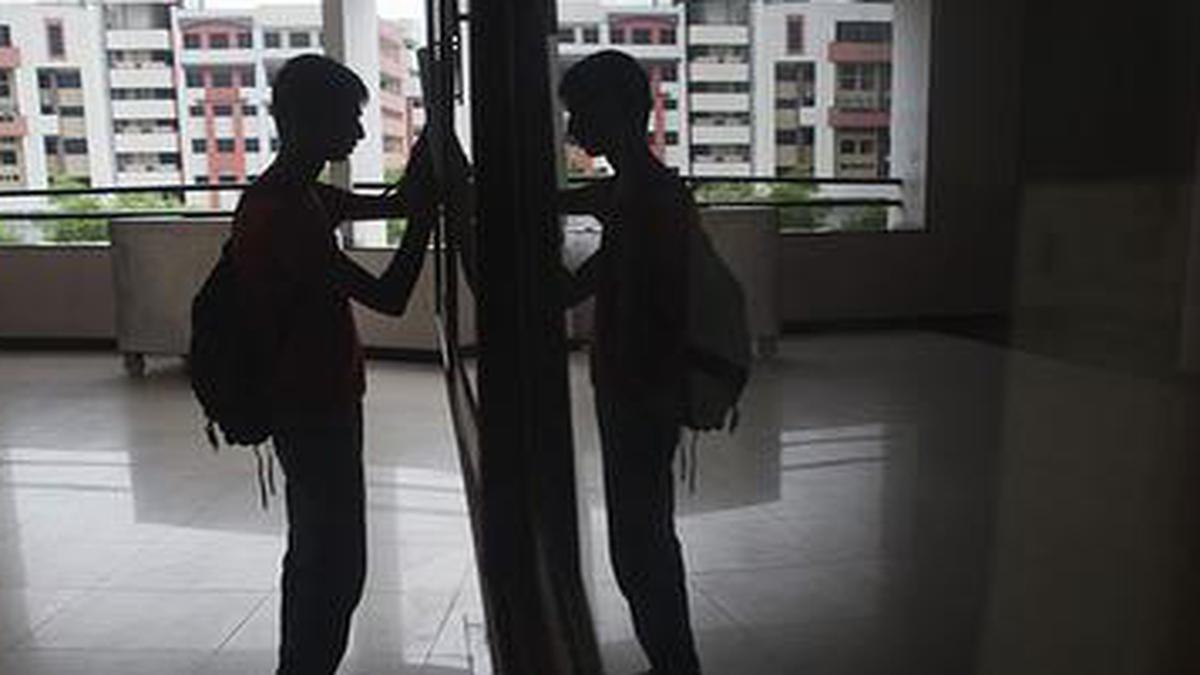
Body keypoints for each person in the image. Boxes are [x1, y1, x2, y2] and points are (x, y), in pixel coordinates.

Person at [230, 54, 436, 675]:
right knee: (333, 561)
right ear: (307, 119)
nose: (359, 133)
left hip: (319, 397)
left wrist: (431, 148)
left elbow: (391, 203)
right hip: (310, 402)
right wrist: (425, 219)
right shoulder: (288, 212)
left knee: (320, 551)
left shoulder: (299, 193)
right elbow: (391, 298)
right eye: (348, 117)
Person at [558, 51, 702, 675]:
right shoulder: (642, 189)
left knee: (639, 544)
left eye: (578, 113)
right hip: (641, 389)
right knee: (645, 537)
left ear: (613, 111)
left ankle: (675, 665)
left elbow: (576, 289)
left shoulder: (640, 199)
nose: (571, 130)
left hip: (638, 391)